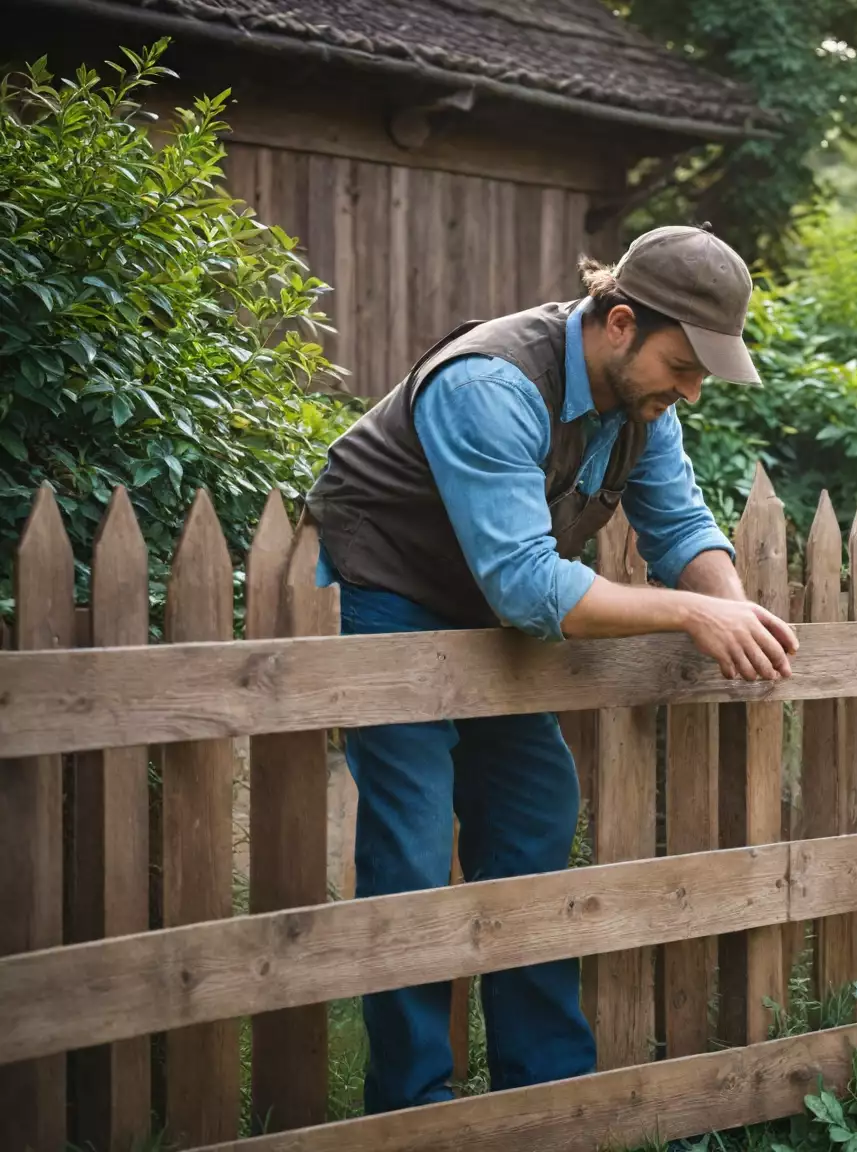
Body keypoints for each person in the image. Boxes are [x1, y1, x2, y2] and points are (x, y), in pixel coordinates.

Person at [304, 225, 798, 1112]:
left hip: (500, 610)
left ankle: (547, 1099)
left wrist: (731, 603)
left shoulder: (643, 407)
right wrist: (692, 611)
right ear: (619, 323)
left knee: (534, 827)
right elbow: (529, 584)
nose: (691, 390)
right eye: (683, 365)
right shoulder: (492, 383)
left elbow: (681, 529)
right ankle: (415, 1110)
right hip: (399, 591)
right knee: (413, 853)